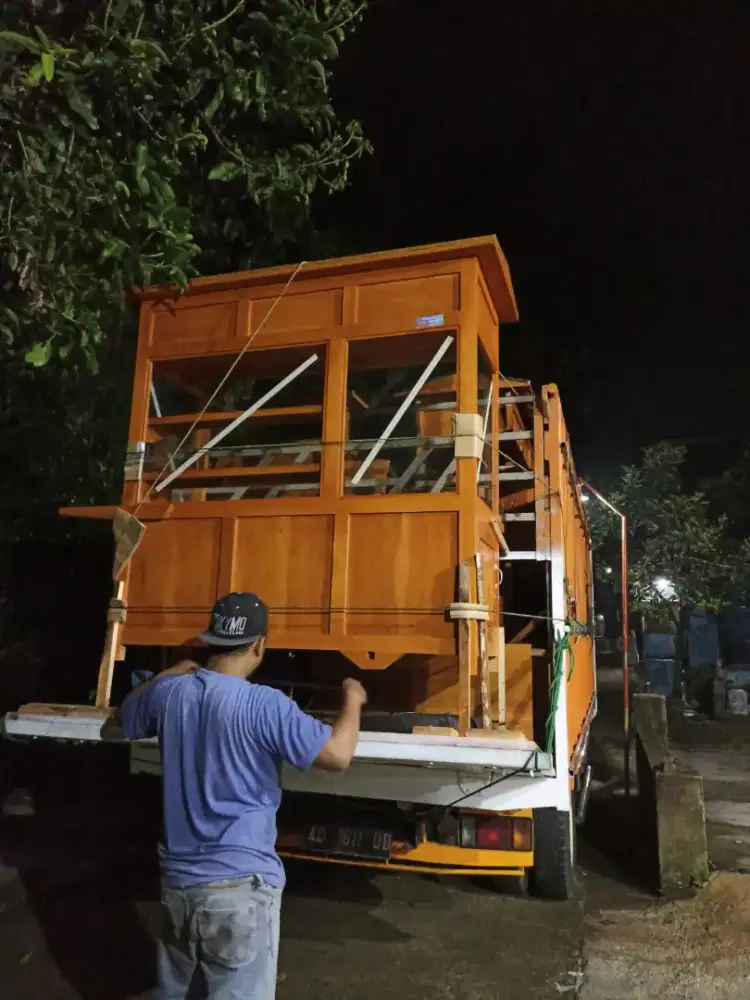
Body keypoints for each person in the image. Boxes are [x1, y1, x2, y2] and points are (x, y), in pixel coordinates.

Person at [118, 591, 367, 1000]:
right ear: (259, 645)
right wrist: (352, 699)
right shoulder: (264, 705)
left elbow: (125, 717)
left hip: (179, 888)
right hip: (239, 893)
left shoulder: (169, 695)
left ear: (210, 640)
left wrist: (168, 673)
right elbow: (338, 755)